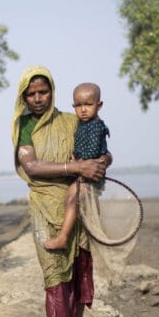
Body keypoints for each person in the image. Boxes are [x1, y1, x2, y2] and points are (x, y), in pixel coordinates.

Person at [12, 66, 111, 317]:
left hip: (78, 204)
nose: (38, 98)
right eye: (31, 94)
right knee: (54, 280)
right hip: (45, 207)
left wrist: (101, 163)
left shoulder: (72, 120)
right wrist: (76, 167)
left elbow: (102, 151)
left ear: (52, 92)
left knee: (80, 273)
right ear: (24, 97)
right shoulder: (25, 126)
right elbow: (32, 166)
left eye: (43, 92)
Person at [43, 82, 109, 250]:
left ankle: (63, 238)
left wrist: (77, 165)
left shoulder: (95, 127)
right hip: (83, 174)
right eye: (78, 106)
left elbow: (92, 153)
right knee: (72, 201)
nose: (83, 110)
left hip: (89, 176)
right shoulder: (82, 123)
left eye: (88, 104)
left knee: (71, 200)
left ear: (99, 105)